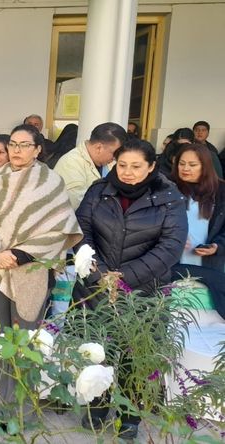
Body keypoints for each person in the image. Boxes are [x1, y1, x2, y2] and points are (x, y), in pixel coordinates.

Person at [0, 124, 82, 425]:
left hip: (31, 273)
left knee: (26, 345)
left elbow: (59, 228)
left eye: (25, 144)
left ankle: (23, 413)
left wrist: (19, 254)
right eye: (13, 144)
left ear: (38, 149)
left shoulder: (51, 182)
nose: (16, 150)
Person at [74, 139, 187, 439]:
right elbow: (81, 231)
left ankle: (129, 415)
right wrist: (98, 273)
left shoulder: (168, 198)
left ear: (151, 166)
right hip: (96, 286)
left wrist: (123, 278)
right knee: (98, 349)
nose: (127, 172)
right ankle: (96, 406)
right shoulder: (99, 191)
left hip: (143, 292)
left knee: (135, 353)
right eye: (122, 165)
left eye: (136, 166)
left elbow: (170, 248)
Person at [171, 143, 225, 271]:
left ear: (205, 166)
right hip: (172, 261)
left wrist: (218, 246)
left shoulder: (221, 190)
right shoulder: (168, 187)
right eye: (181, 163)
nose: (185, 168)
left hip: (209, 264)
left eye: (192, 165)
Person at [54, 122, 126, 210]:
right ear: (99, 148)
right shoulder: (70, 163)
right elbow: (78, 205)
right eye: (114, 154)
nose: (115, 158)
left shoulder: (109, 162)